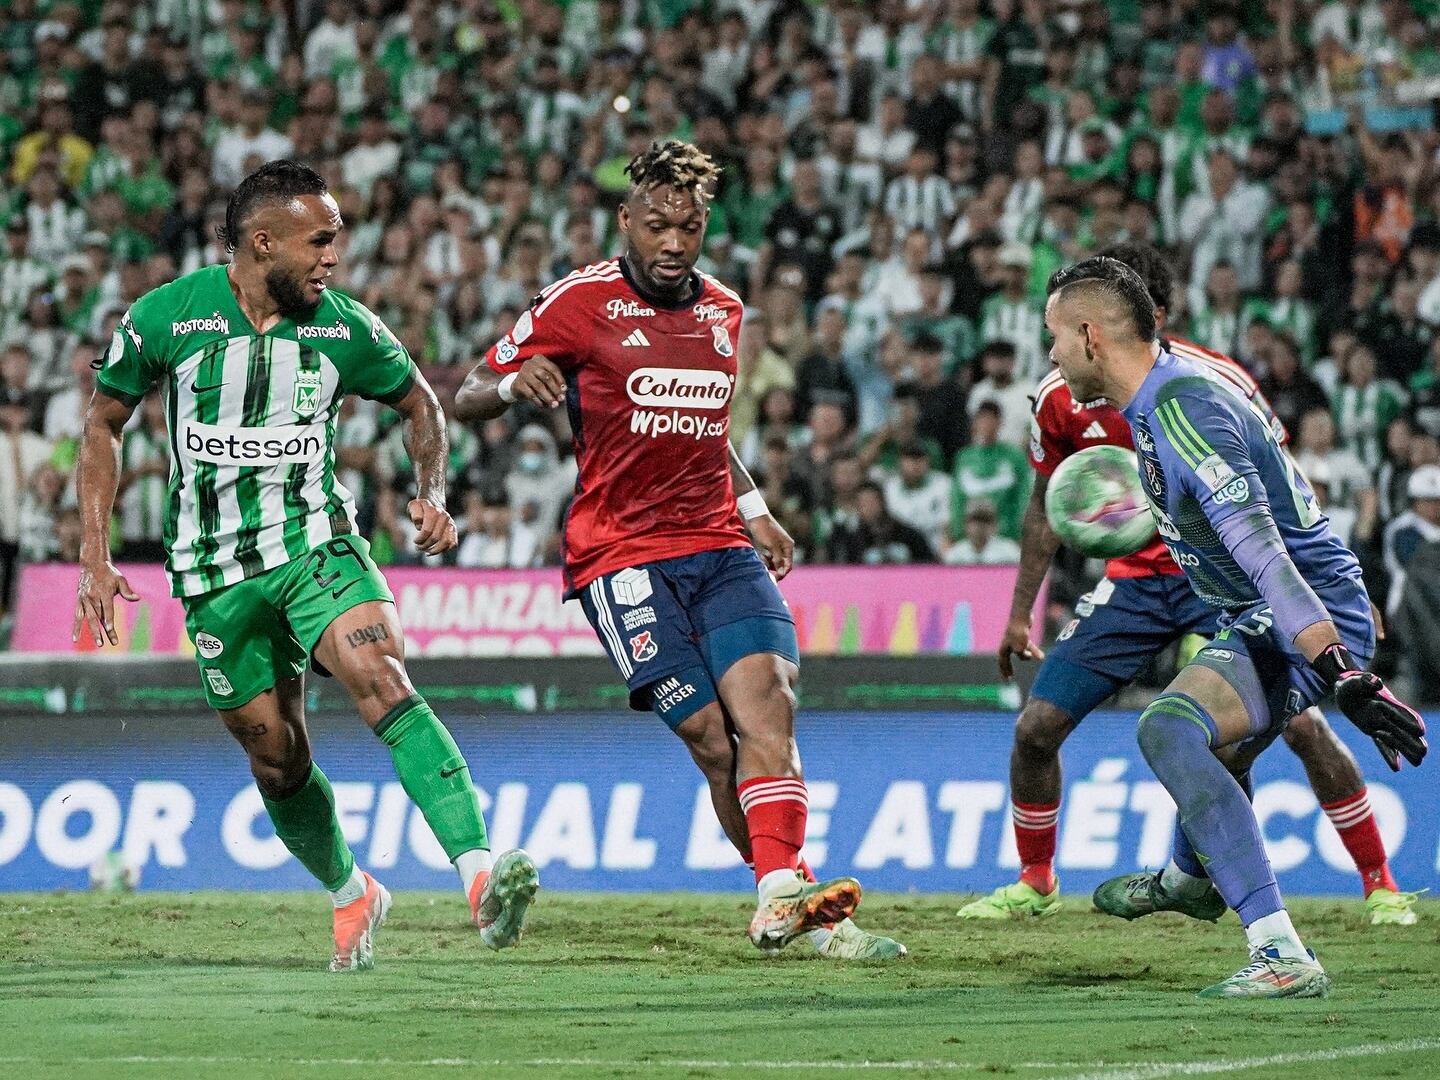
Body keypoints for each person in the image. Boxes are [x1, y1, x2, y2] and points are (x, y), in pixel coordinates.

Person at [73, 161, 537, 973]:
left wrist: (431, 492)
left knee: (382, 677)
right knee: (277, 757)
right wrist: (94, 553)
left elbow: (421, 403)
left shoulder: (343, 327)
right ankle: (353, 891)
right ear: (263, 243)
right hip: (214, 573)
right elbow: (103, 422)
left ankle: (479, 876)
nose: (333, 257)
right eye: (319, 241)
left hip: (317, 543)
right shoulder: (167, 317)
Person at [454, 140, 903, 959]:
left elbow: (705, 432)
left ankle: (784, 901)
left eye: (688, 228)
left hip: (719, 541)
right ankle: (788, 891)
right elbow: (469, 393)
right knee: (709, 737)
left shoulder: (724, 311)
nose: (672, 243)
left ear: (705, 226)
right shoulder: (577, 302)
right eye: (656, 225)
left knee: (770, 703)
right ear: (626, 219)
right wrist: (515, 384)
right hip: (620, 553)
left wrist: (756, 510)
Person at [963, 243, 1418, 930]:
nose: (1050, 353)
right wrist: (1019, 612)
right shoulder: (1074, 401)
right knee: (1048, 727)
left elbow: (1274, 515)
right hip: (1147, 585)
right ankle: (1070, 879)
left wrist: (1337, 627)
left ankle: (1361, 889)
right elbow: (1043, 502)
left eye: (1056, 335)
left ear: (1110, 328)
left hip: (1243, 587)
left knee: (1264, 726)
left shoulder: (1198, 395)